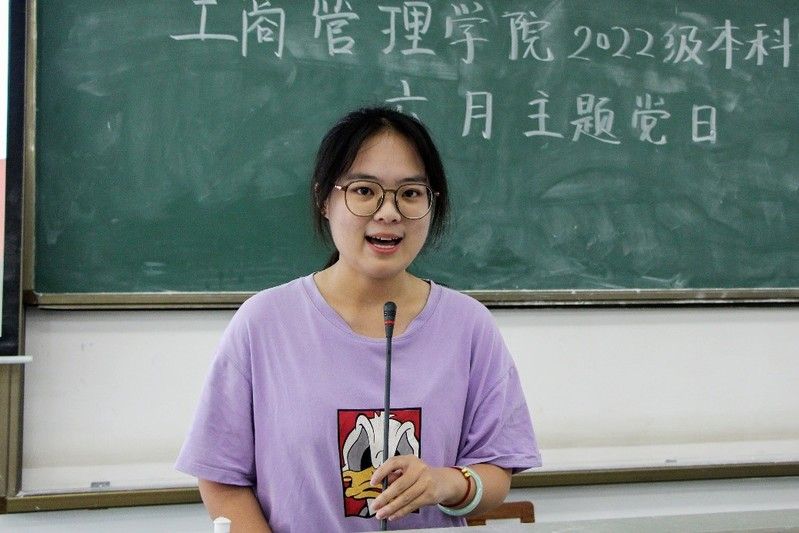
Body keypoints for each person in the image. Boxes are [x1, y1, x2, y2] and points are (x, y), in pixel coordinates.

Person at [175, 107, 541, 531]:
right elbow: (222, 478)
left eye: (411, 193)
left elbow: (496, 471)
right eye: (364, 190)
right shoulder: (264, 323)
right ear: (324, 200)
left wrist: (446, 483)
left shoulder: (469, 326)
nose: (389, 212)